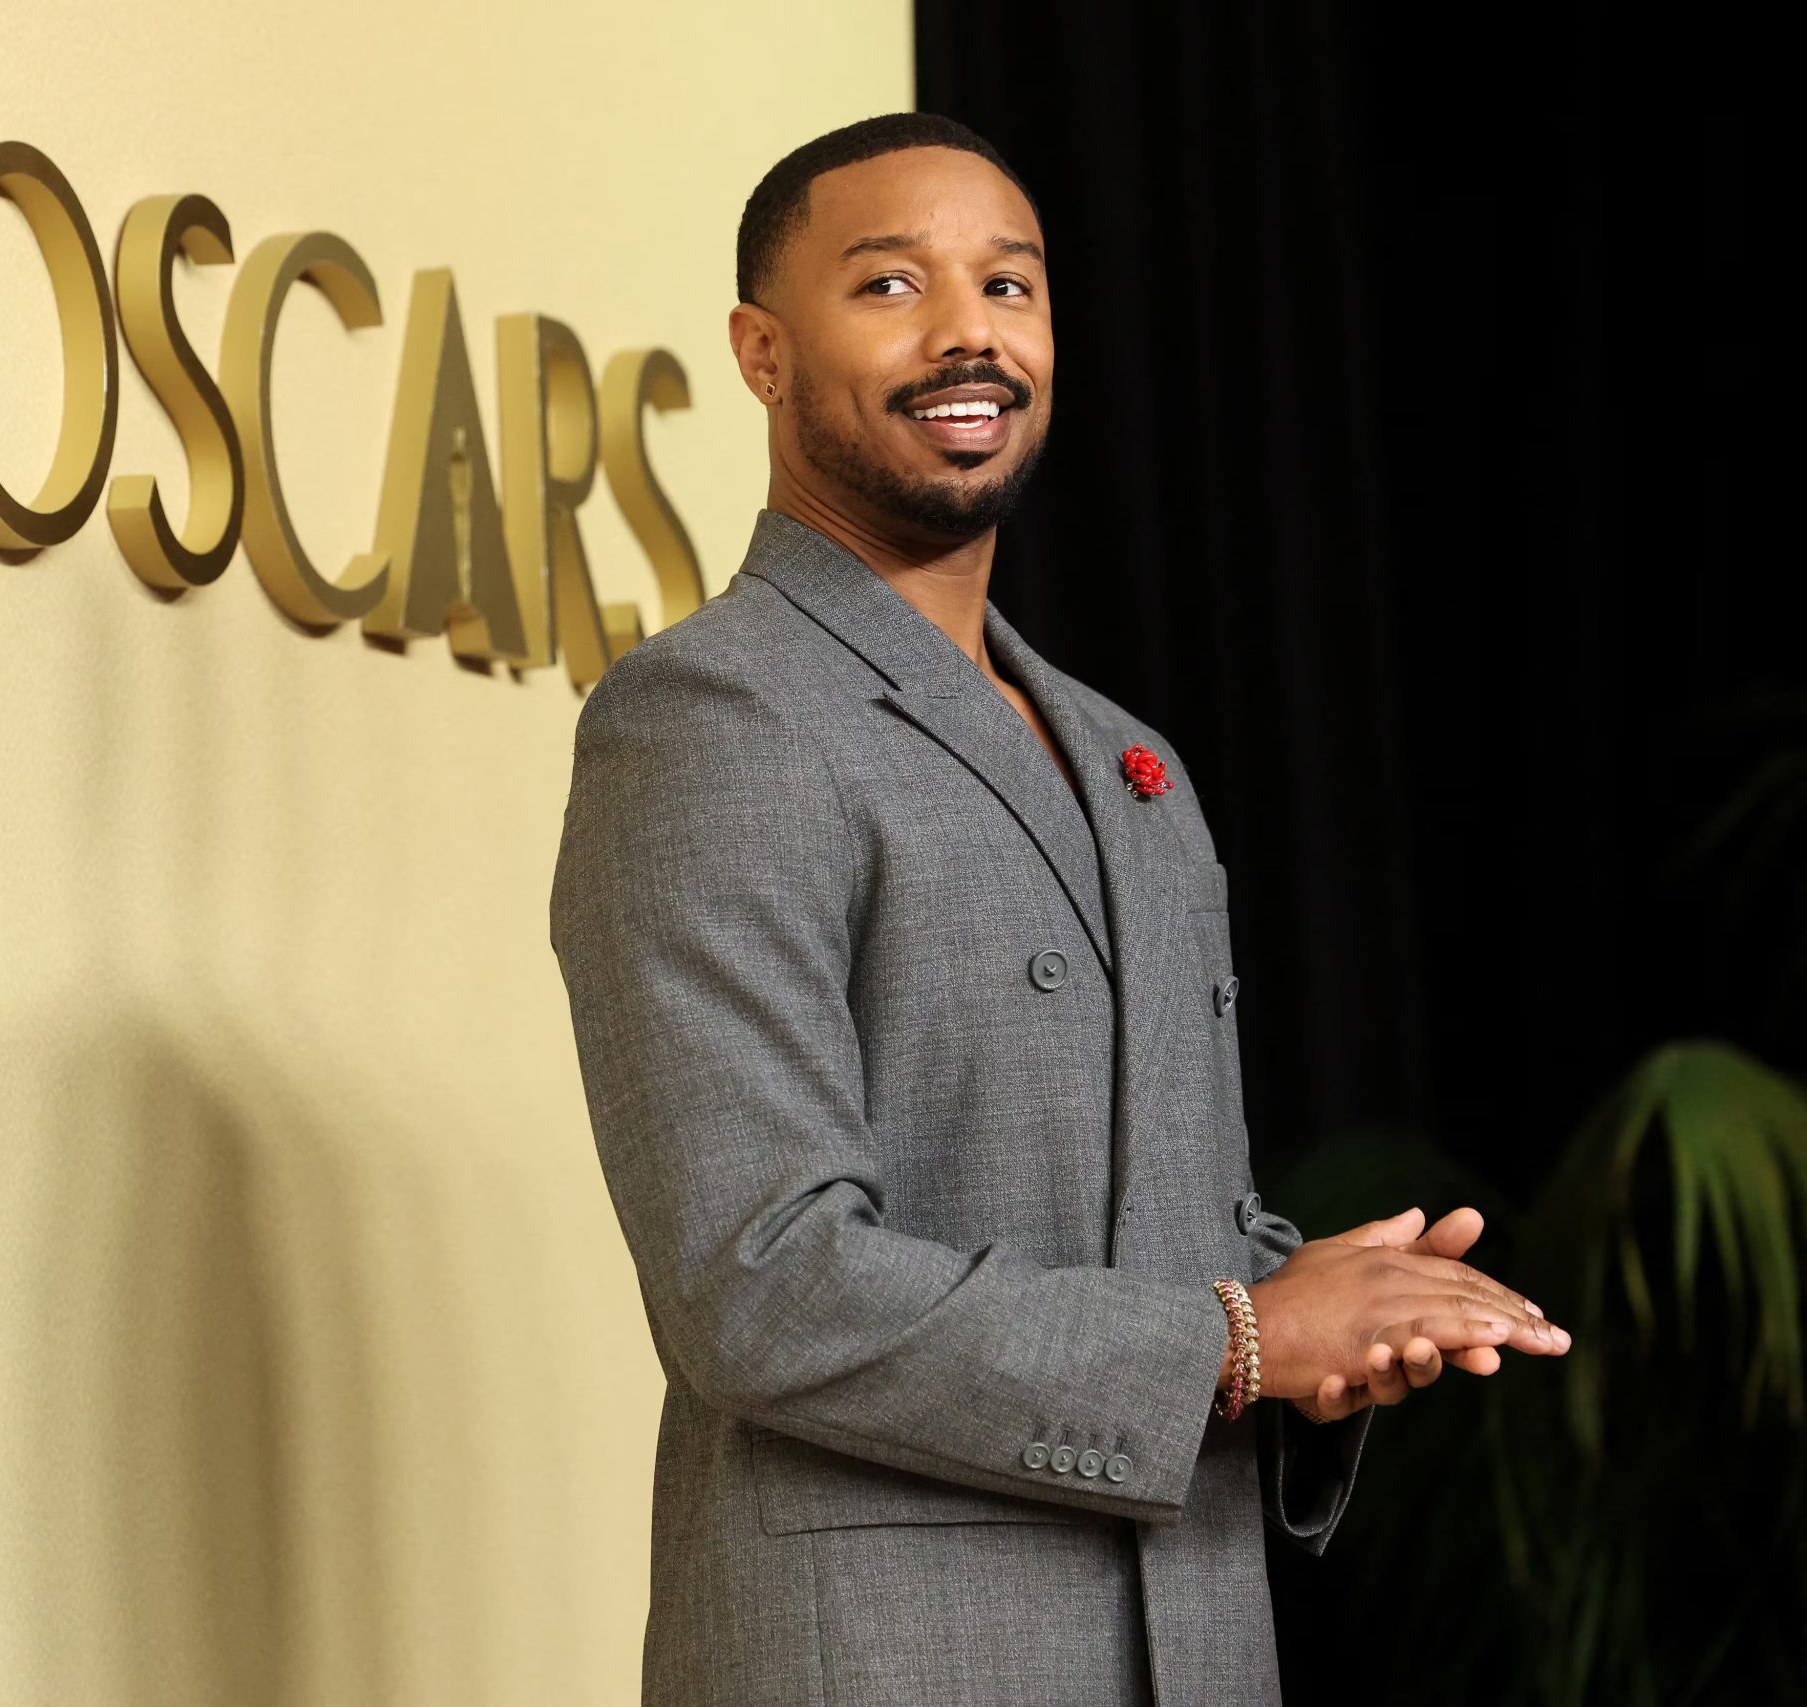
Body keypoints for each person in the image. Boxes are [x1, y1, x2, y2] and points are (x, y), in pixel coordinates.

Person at [546, 112, 1569, 1707]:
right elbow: (757, 1281)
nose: (969, 332)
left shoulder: (1126, 758)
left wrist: (1330, 1319)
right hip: (884, 1664)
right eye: (891, 284)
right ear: (762, 352)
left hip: (1189, 1645)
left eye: (1008, 285)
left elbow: (1158, 1229)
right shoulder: (711, 716)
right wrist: (1240, 1341)